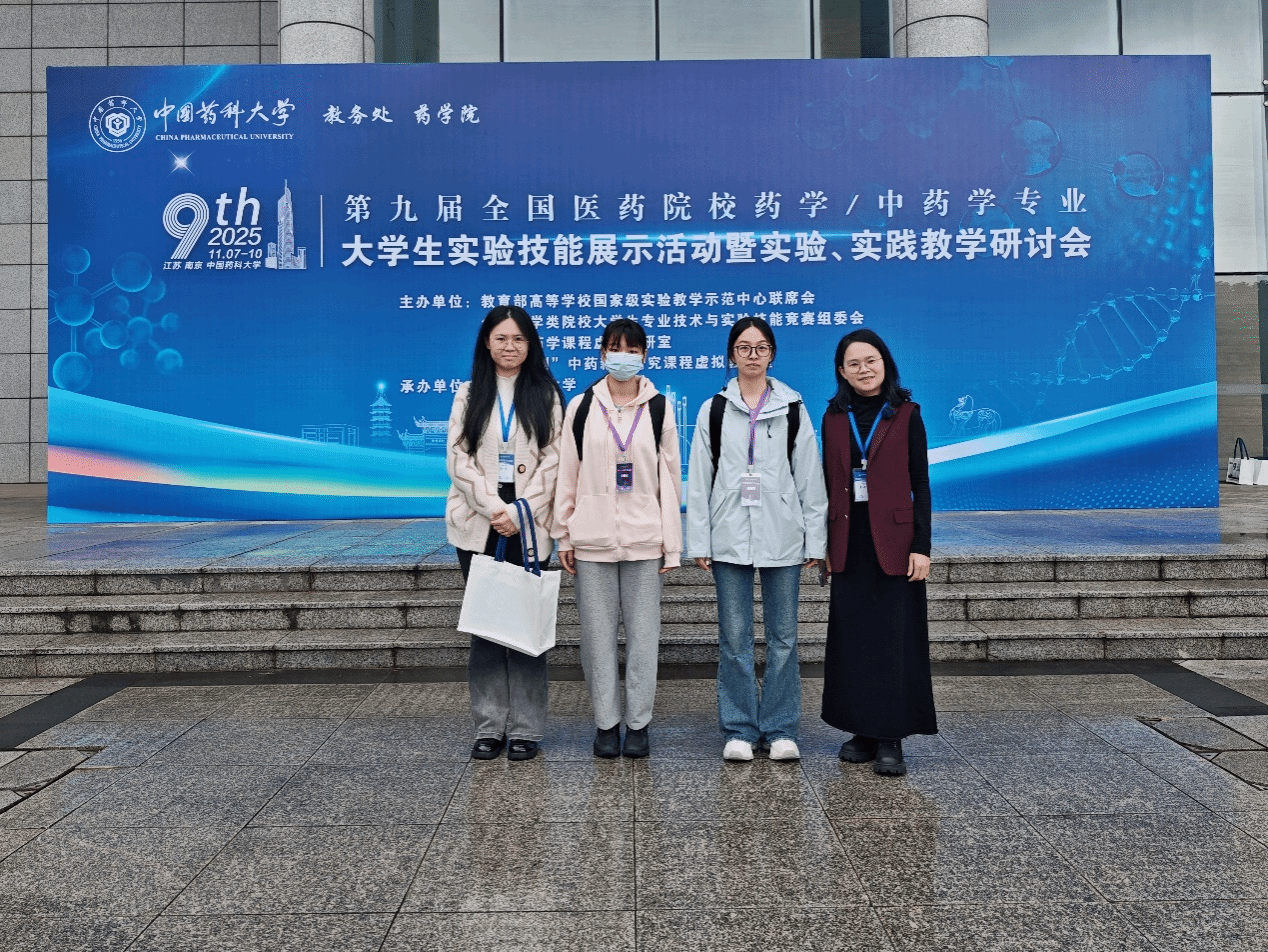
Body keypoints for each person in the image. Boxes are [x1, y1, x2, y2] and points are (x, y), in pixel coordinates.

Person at [686, 317, 828, 762]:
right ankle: (740, 729)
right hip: (729, 533)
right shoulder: (714, 409)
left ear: (772, 355)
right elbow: (700, 480)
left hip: (782, 533)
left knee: (784, 638)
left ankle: (781, 729)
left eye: (761, 347)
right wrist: (700, 541)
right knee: (734, 639)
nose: (753, 355)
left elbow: (809, 476)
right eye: (744, 347)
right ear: (732, 355)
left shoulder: (792, 408)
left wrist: (815, 540)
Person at [553, 318, 682, 759]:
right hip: (592, 541)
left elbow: (671, 481)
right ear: (602, 353)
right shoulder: (582, 406)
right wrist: (563, 534)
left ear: (644, 355)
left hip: (645, 539)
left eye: (631, 349)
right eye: (614, 347)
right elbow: (567, 473)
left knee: (644, 637)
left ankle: (639, 724)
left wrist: (671, 543)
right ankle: (606, 723)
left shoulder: (659, 407)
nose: (622, 356)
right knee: (597, 638)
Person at [446, 305, 564, 763]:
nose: (509, 347)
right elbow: (458, 457)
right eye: (501, 338)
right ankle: (490, 727)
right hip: (480, 520)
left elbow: (555, 458)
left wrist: (521, 510)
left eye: (518, 339)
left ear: (529, 345)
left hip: (530, 519)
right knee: (487, 625)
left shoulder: (546, 394)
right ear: (487, 344)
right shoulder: (469, 393)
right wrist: (495, 507)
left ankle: (527, 729)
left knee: (526, 623)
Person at [820, 328, 936, 777]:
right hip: (848, 542)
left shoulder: (907, 414)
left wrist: (921, 546)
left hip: (895, 544)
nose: (864, 369)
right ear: (842, 371)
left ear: (885, 363)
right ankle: (862, 730)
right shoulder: (834, 417)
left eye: (871, 360)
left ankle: (890, 735)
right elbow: (826, 484)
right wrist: (824, 545)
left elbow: (920, 482)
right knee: (854, 639)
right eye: (854, 363)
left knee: (893, 639)